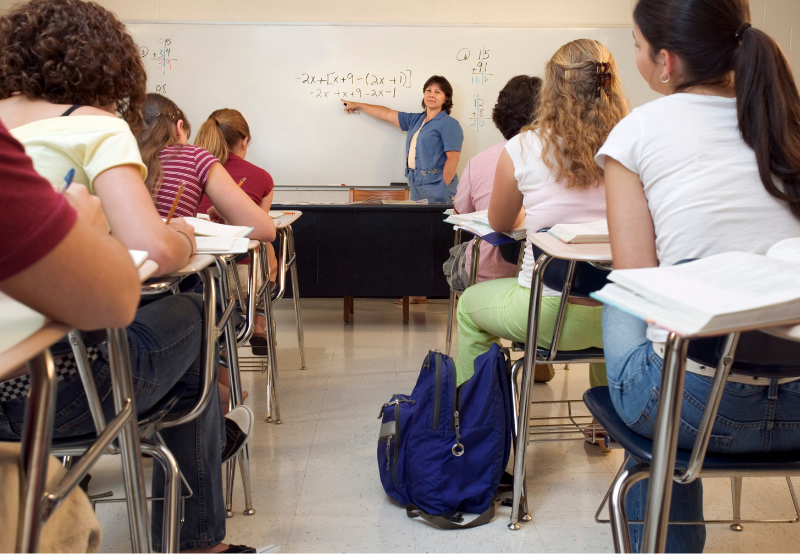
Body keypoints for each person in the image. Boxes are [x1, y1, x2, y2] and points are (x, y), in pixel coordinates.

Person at [0, 1, 266, 551]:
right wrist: (188, 237)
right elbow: (150, 248)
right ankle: (199, 534)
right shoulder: (92, 123)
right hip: (54, 390)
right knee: (195, 307)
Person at [596, 0, 800, 551]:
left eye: (636, 48)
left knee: (626, 293)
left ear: (665, 62)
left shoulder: (635, 133)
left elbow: (640, 282)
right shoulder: (787, 122)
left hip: (698, 410)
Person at [455, 39, 629, 390]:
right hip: (623, 315)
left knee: (469, 306)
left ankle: (479, 424)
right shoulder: (634, 142)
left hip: (547, 314)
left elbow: (501, 223)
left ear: (551, 89)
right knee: (605, 292)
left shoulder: (523, 146)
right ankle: (603, 427)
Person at [137, 94, 277, 244]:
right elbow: (266, 230)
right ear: (179, 127)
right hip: (174, 261)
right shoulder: (195, 157)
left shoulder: (120, 160)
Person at [194, 108, 278, 355]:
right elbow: (261, 229)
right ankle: (258, 321)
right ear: (244, 140)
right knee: (268, 246)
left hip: (195, 278)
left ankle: (219, 355)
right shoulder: (262, 177)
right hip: (243, 280)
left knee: (212, 313)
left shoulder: (191, 169)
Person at [454, 75, 542, 284]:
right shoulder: (561, 160)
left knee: (457, 257)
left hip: (487, 272)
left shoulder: (478, 162)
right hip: (545, 275)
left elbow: (461, 213)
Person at [342, 75, 464, 204]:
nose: (431, 95)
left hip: (437, 186)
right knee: (419, 222)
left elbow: (453, 158)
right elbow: (386, 113)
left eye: (437, 92)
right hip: (415, 184)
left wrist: (442, 186)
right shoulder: (415, 120)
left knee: (436, 223)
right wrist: (359, 105)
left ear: (446, 99)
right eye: (428, 90)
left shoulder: (449, 124)